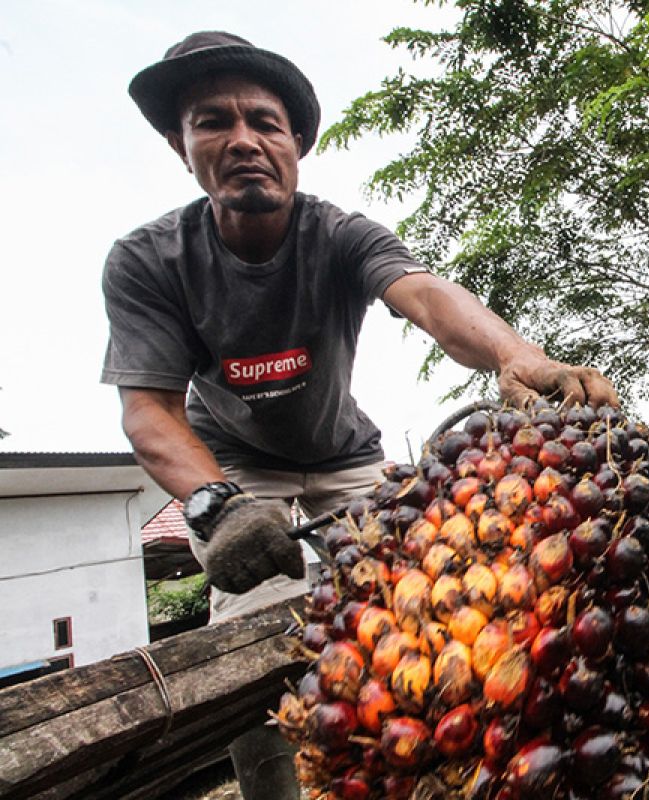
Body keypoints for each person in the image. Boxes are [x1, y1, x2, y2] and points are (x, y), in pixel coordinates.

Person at [101, 31, 617, 799]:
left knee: (411, 603)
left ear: (296, 144)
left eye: (264, 122)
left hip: (345, 452)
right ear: (182, 147)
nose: (243, 139)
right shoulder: (149, 261)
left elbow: (430, 298)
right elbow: (148, 410)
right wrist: (216, 505)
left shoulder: (338, 233)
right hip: (235, 467)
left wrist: (517, 356)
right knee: (252, 644)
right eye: (214, 122)